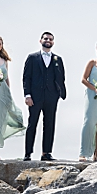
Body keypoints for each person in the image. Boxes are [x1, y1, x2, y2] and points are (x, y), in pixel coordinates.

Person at [22, 31, 67, 161]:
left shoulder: (58, 59)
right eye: (46, 38)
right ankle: (28, 153)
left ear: (53, 42)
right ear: (40, 40)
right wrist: (27, 95)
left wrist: (60, 93)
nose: (48, 40)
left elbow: (61, 77)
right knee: (32, 124)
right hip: (35, 96)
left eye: (51, 39)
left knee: (50, 124)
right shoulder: (32, 57)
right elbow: (26, 78)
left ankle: (46, 153)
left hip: (51, 96)